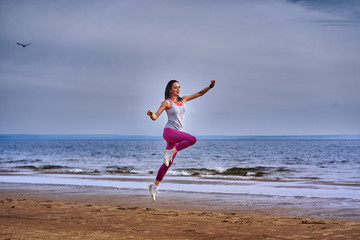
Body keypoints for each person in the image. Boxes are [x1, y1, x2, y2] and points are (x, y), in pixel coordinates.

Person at [147, 79, 216, 201]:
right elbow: (155, 117)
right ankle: (169, 153)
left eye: (179, 87)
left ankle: (154, 187)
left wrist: (210, 86)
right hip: (169, 132)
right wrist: (151, 114)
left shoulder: (183, 99)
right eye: (175, 87)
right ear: (170, 90)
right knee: (192, 139)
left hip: (175, 136)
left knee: (167, 164)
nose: (178, 89)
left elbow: (199, 94)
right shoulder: (167, 103)